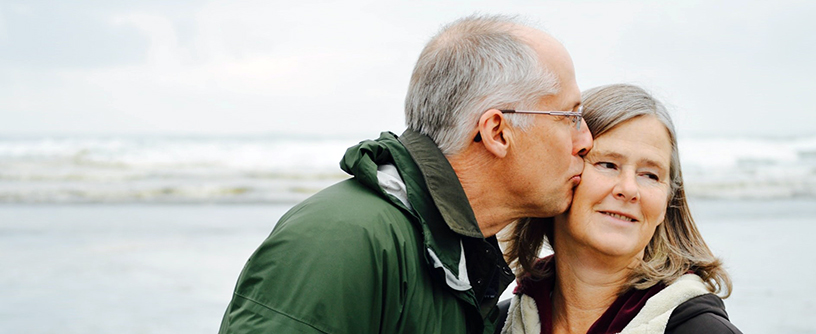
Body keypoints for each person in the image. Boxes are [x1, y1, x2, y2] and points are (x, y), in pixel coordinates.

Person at [218, 14, 593, 334]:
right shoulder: (342, 240)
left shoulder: (459, 254)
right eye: (571, 117)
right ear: (497, 132)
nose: (586, 141)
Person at [500, 84, 741, 334]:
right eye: (608, 164)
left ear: (666, 204)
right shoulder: (494, 323)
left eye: (650, 174)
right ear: (561, 174)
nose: (629, 189)